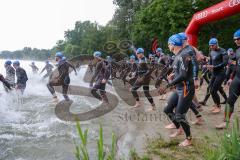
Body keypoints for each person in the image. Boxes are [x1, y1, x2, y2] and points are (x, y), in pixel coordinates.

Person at [160, 34, 194, 147]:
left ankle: (189, 139)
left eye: (169, 43)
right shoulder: (177, 55)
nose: (168, 46)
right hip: (179, 88)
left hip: (186, 88)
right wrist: (172, 76)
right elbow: (179, 71)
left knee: (179, 115)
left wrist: (169, 84)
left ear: (173, 44)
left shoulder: (184, 54)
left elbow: (184, 75)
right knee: (167, 109)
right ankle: (179, 128)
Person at [216, 29, 240, 129]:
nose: (236, 41)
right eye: (235, 39)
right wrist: (231, 77)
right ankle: (225, 122)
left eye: (238, 39)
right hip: (238, 79)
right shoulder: (238, 50)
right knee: (230, 101)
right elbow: (236, 66)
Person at [206, 38, 228, 113]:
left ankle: (219, 106)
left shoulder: (223, 51)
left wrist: (214, 67)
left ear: (216, 44)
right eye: (210, 46)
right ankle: (216, 105)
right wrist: (209, 66)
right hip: (214, 74)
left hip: (221, 74)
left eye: (213, 45)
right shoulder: (211, 51)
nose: (211, 47)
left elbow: (225, 63)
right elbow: (211, 62)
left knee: (213, 91)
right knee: (210, 89)